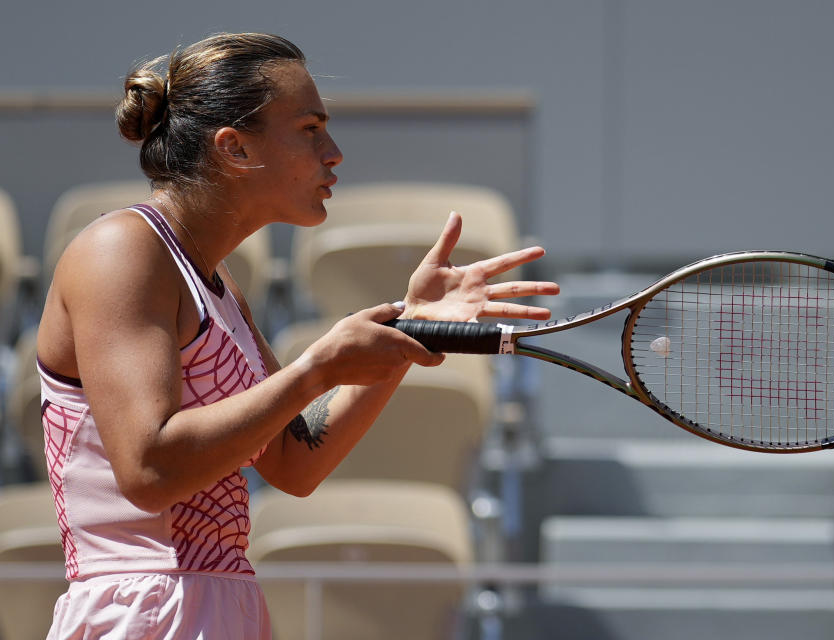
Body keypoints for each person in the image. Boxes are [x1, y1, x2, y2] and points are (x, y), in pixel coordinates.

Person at [36, 32, 558, 639]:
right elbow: (149, 469)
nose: (334, 153)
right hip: (139, 611)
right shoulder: (120, 250)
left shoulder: (216, 280)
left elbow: (294, 463)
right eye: (310, 128)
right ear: (234, 148)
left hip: (222, 605)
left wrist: (407, 331)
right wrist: (317, 368)